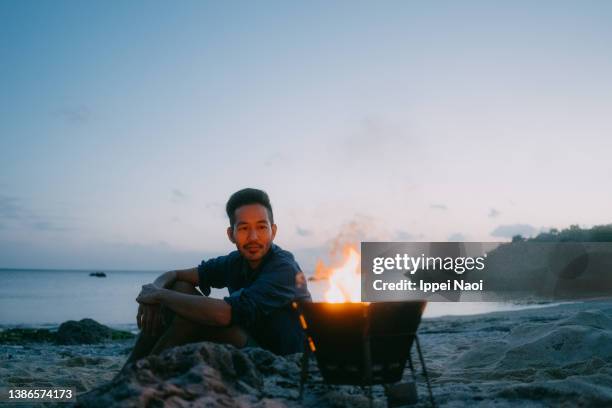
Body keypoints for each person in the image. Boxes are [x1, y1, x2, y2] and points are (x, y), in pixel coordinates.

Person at [123, 188, 311, 367]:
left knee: (191, 317)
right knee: (180, 287)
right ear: (231, 234)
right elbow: (175, 275)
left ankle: (142, 372)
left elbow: (223, 315)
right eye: (244, 228)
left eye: (261, 227)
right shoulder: (234, 262)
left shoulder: (285, 268)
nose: (253, 237)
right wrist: (153, 293)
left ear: (273, 231)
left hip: (282, 359)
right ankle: (131, 370)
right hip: (248, 341)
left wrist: (159, 295)